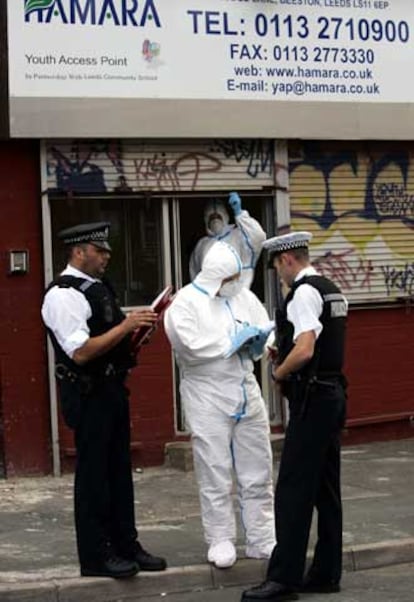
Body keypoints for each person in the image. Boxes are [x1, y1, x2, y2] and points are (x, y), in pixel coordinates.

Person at [41, 221, 167, 579]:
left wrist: (136, 333)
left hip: (111, 389)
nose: (107, 256)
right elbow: (80, 352)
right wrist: (125, 327)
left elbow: (108, 338)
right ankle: (96, 556)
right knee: (94, 476)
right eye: (100, 250)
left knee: (117, 473)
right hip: (87, 392)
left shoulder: (97, 287)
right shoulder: (63, 295)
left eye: (108, 250)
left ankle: (126, 545)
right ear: (78, 252)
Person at [241, 232, 348, 602]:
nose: (277, 274)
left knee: (293, 491)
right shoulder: (331, 287)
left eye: (275, 266)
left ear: (287, 260)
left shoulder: (303, 292)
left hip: (312, 399)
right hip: (332, 394)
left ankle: (283, 579)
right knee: (326, 488)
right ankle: (325, 572)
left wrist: (279, 372)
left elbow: (304, 350)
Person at [164, 241, 276, 569]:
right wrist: (231, 343)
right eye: (228, 280)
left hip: (244, 386)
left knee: (258, 466)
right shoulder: (185, 304)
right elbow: (189, 345)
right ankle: (220, 537)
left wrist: (260, 342)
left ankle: (262, 536)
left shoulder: (242, 295)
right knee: (214, 468)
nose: (234, 285)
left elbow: (264, 327)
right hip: (206, 392)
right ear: (215, 277)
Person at [189, 192, 266, 288]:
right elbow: (195, 277)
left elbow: (258, 237)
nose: (215, 220)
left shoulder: (239, 235)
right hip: (211, 300)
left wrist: (240, 214)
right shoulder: (201, 245)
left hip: (239, 298)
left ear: (226, 216)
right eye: (211, 217)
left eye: (218, 216)